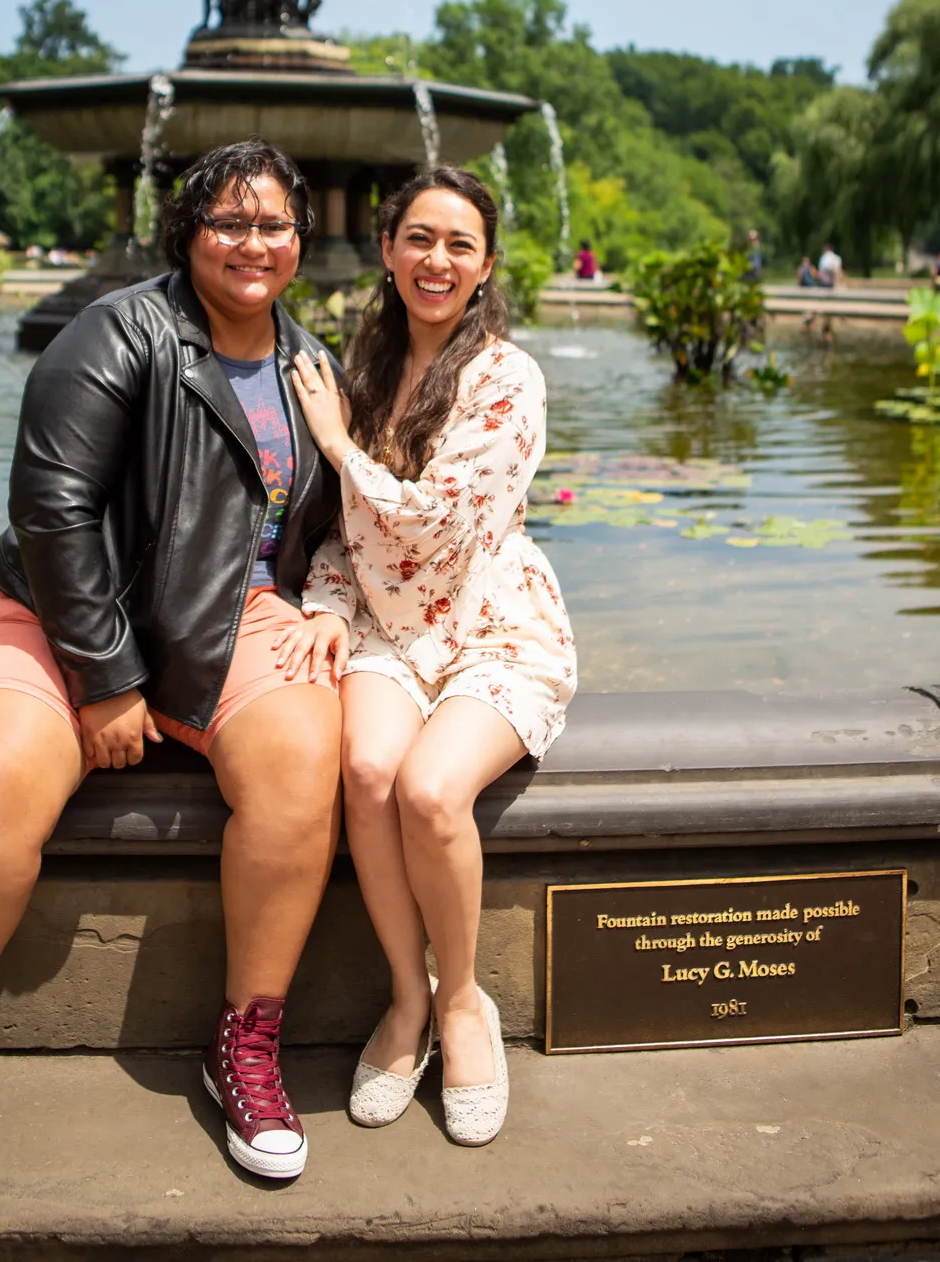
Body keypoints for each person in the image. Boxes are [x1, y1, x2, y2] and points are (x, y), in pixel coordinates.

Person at [0, 141, 348, 1187]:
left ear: (302, 243)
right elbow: (54, 513)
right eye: (228, 222)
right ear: (187, 233)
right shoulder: (116, 333)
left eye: (273, 225)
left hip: (227, 619)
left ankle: (244, 1043)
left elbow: (336, 527)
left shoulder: (311, 366)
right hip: (68, 612)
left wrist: (332, 607)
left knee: (306, 765)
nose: (252, 244)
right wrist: (110, 677)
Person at [282, 167, 576, 1146]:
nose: (436, 260)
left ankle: (464, 1005)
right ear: (388, 249)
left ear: (487, 264)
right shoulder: (365, 370)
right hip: (386, 625)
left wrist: (333, 443)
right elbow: (342, 533)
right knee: (364, 769)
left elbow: (426, 521)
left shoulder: (507, 380)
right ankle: (408, 998)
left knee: (430, 792)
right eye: (419, 237)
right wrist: (324, 605)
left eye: (458, 244)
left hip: (489, 622)